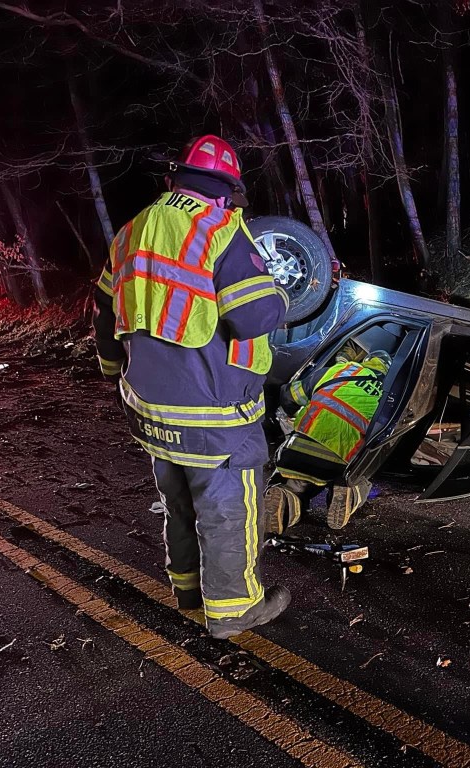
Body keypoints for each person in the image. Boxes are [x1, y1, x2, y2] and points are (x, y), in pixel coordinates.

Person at [93, 134, 292, 640]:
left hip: (149, 409)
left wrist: (112, 368)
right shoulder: (222, 230)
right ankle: (233, 611)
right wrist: (281, 293)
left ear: (174, 180)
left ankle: (187, 590)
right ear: (225, 192)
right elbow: (254, 318)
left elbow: (102, 312)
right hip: (215, 415)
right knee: (228, 507)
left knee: (178, 500)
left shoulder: (130, 232)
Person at [266, 349, 392, 532]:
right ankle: (348, 492)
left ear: (366, 361)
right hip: (339, 463)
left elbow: (290, 395)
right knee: (360, 476)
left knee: (297, 481)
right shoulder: (388, 395)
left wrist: (293, 415)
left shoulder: (341, 370)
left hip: (296, 450)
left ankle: (287, 499)